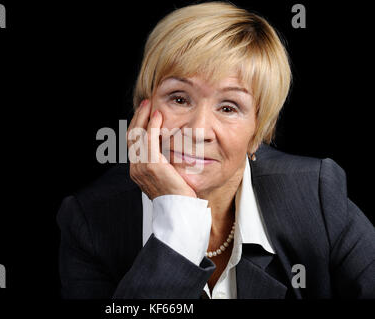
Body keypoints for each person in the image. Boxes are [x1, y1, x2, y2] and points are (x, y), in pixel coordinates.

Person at [57, 1, 375, 298]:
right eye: (179, 99)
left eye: (228, 107)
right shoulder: (90, 222)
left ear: (257, 131)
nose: (197, 131)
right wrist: (178, 226)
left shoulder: (317, 195)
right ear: (143, 107)